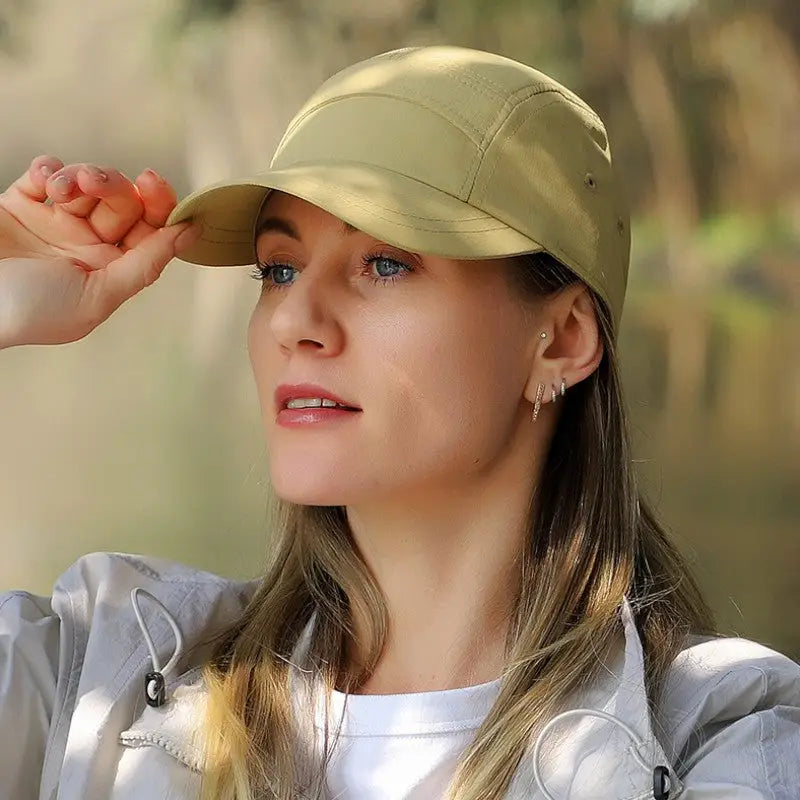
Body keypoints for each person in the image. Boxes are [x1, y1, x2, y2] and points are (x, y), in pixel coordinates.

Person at [0, 45, 797, 800]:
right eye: (279, 269)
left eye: (384, 264)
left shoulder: (724, 739)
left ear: (561, 338)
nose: (295, 320)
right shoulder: (98, 675)